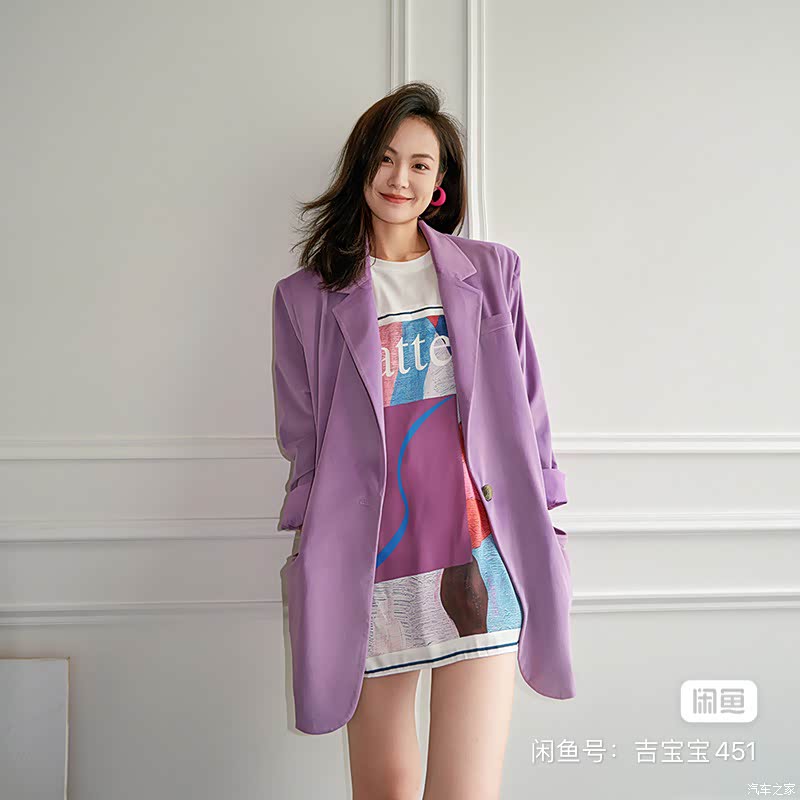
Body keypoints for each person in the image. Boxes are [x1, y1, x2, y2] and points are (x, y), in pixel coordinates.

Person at [274, 81, 573, 800]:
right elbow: (302, 436)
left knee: (465, 791)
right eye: (385, 158)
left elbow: (529, 407)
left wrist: (548, 508)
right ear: (361, 167)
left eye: (419, 164)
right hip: (369, 567)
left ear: (440, 183)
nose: (399, 178)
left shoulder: (490, 272)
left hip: (480, 558)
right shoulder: (305, 298)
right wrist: (313, 542)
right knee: (384, 790)